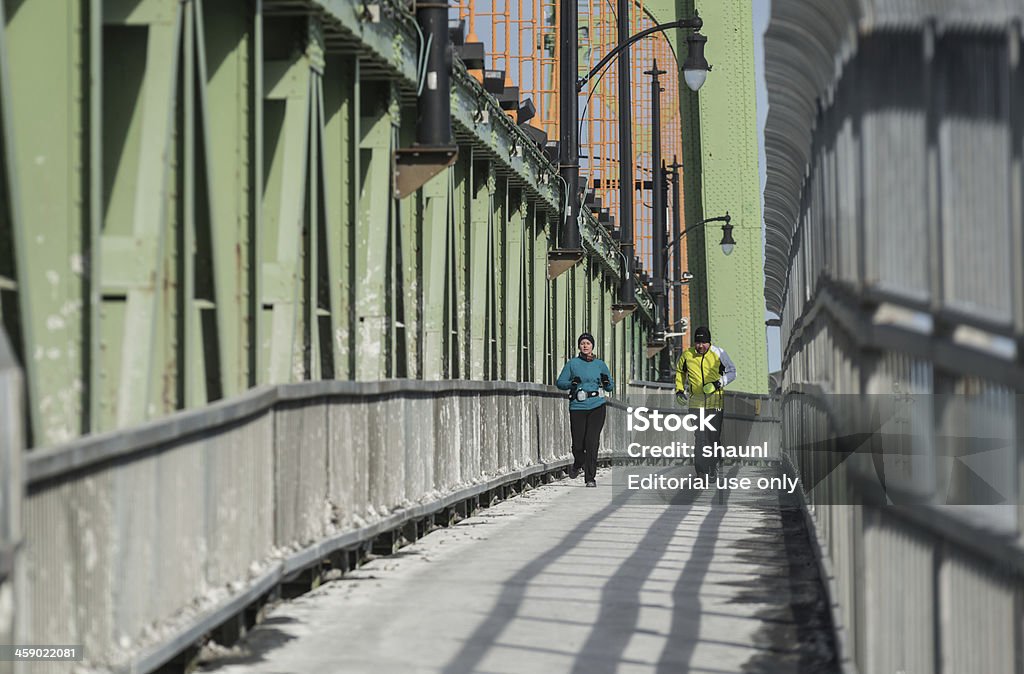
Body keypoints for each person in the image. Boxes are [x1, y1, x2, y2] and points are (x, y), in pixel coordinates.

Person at [675, 325, 737, 477]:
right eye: (697, 343)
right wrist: (679, 390)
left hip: (715, 403)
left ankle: (713, 465)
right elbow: (680, 372)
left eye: (703, 343)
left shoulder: (719, 353)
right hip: (696, 404)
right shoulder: (687, 355)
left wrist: (718, 384)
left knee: (713, 437)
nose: (700, 346)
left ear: (709, 342)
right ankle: (701, 470)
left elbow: (732, 371)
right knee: (700, 437)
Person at [556, 332, 615, 487]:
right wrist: (571, 384)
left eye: (588, 343)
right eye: (582, 343)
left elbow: (610, 386)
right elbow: (560, 382)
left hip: (597, 405)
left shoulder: (600, 364)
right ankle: (578, 463)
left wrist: (606, 381)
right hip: (578, 406)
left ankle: (590, 478)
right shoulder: (572, 364)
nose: (585, 346)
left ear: (592, 346)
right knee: (578, 444)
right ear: (579, 346)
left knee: (592, 441)